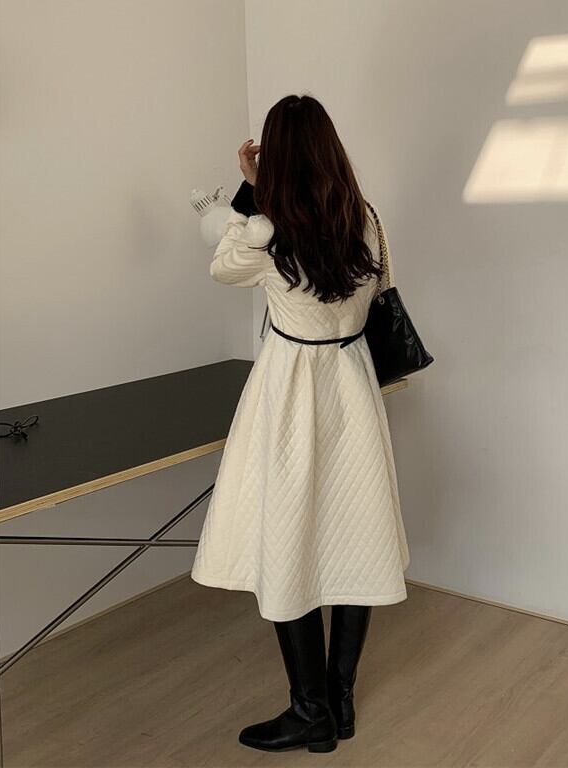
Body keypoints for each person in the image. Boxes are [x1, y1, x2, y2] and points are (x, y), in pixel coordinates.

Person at [190, 94, 410, 754]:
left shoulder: (269, 232)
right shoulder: (365, 218)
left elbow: (221, 266)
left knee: (289, 536)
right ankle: (339, 703)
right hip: (352, 384)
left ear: (277, 156)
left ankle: (310, 709)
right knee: (355, 534)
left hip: (290, 391)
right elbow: (379, 287)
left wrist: (252, 190)